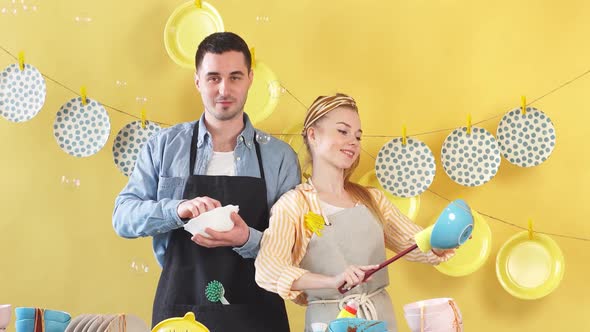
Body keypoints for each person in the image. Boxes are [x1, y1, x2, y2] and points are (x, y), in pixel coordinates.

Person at [112, 32, 299, 331]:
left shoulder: (279, 158)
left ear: (250, 79)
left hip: (259, 312)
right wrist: (178, 209)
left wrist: (247, 239)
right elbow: (122, 217)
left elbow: (293, 247)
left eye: (235, 77)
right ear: (197, 81)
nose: (224, 89)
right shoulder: (163, 146)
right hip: (181, 311)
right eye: (213, 78)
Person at [254, 93, 455, 331]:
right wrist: (332, 281)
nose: (353, 141)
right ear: (313, 135)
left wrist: (445, 239)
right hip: (331, 321)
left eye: (358, 136)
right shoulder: (294, 205)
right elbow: (268, 270)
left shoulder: (372, 199)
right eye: (343, 131)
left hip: (379, 317)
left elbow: (416, 242)